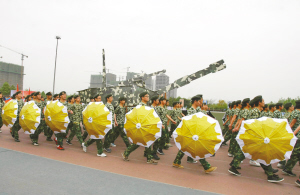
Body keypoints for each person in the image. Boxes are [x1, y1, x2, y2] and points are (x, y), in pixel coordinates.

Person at [229, 96, 283, 183]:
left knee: (247, 152)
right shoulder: (255, 111)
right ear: (259, 102)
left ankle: (234, 166)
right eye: (263, 101)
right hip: (254, 136)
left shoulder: (256, 111)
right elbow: (253, 124)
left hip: (253, 136)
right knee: (261, 154)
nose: (264, 102)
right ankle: (270, 175)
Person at [172, 96, 217, 174]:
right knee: (197, 148)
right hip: (192, 133)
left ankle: (176, 161)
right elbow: (190, 122)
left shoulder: (198, 110)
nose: (200, 103)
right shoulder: (191, 111)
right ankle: (206, 167)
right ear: (195, 101)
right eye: (199, 101)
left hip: (196, 132)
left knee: (184, 147)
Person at [122, 91, 158, 165]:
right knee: (138, 142)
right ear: (142, 97)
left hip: (145, 126)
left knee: (147, 141)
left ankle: (149, 158)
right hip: (140, 126)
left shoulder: (146, 105)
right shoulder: (140, 106)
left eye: (148, 96)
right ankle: (126, 153)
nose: (148, 98)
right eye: (146, 96)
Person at [282, 101, 300, 176]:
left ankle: (287, 167)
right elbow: (292, 123)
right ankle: (287, 168)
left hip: (294, 133)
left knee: (295, 152)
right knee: (295, 153)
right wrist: (290, 134)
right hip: (295, 134)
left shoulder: (294, 112)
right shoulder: (297, 112)